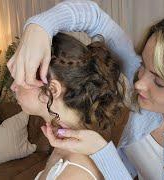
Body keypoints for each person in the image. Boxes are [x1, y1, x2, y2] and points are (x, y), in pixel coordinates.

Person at [7, 1, 164, 179]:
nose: (138, 83)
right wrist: (38, 28)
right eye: (143, 66)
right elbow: (93, 17)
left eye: (158, 81)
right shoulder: (147, 91)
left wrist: (101, 152)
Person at [10, 32, 126, 180]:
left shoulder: (75, 173)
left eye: (22, 76)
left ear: (52, 90)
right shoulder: (65, 144)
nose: (13, 86)